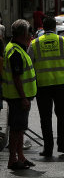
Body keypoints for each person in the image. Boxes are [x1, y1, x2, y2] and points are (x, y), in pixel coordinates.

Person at [27, 17, 64, 157]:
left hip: (43, 86)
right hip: (61, 85)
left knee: (45, 118)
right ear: (55, 27)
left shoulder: (35, 43)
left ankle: (48, 148)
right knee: (62, 116)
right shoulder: (63, 41)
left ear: (43, 27)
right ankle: (62, 146)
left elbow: (28, 66)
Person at [1, 19, 37, 169]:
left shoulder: (16, 47)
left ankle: (20, 157)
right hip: (18, 98)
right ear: (23, 33)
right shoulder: (15, 51)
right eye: (29, 32)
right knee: (16, 129)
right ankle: (13, 160)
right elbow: (17, 78)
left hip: (19, 97)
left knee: (20, 128)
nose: (30, 35)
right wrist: (23, 98)